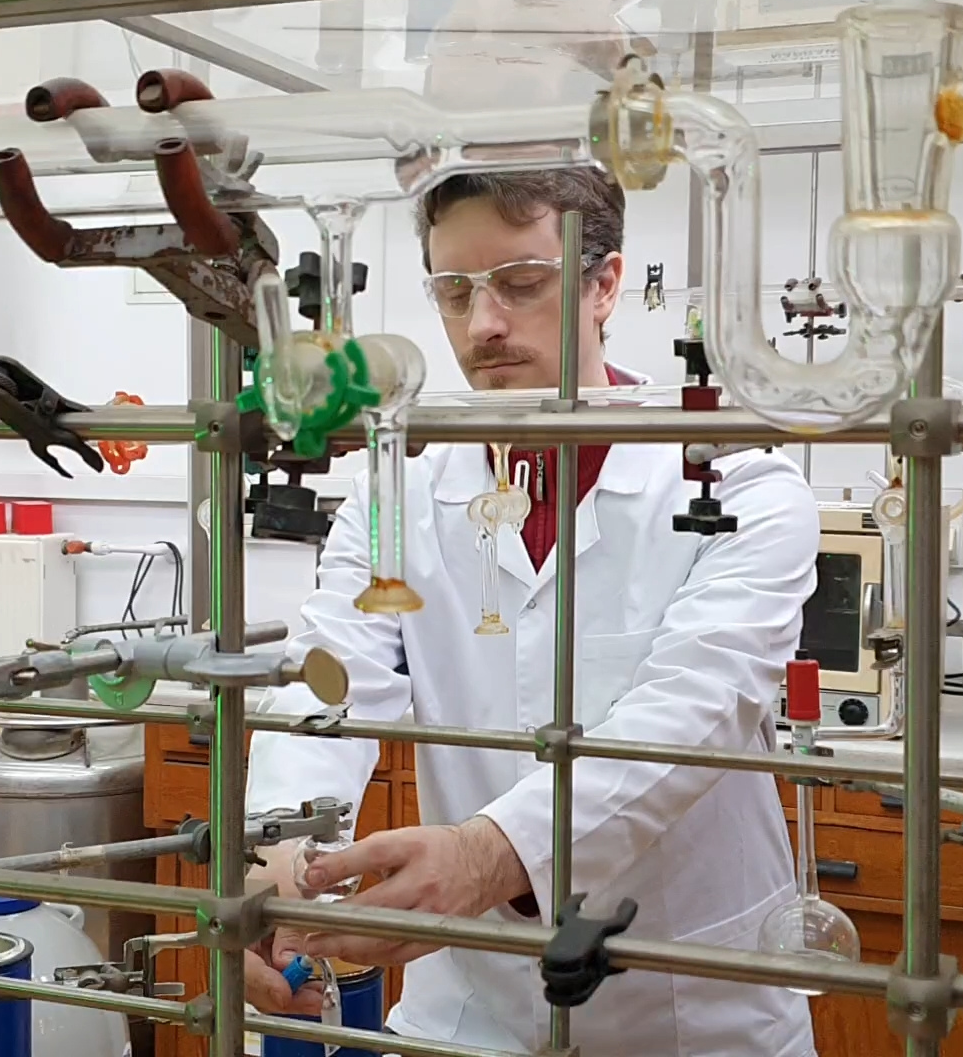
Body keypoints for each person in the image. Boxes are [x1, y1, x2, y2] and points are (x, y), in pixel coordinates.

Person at [240, 167, 820, 1055]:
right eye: (454, 291)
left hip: (689, 1010)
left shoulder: (743, 485)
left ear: (604, 284)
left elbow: (694, 713)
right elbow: (330, 678)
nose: (483, 325)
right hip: (470, 1006)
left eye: (519, 283)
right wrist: (278, 846)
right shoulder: (396, 493)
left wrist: (489, 856)